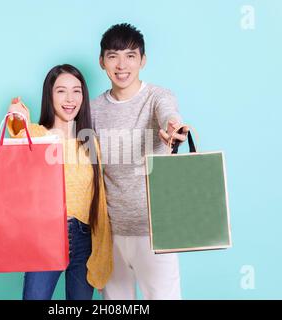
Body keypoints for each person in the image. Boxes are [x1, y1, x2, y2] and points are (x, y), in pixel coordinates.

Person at [90, 23, 189, 300]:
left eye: (130, 56)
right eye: (113, 56)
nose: (122, 65)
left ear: (143, 61)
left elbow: (169, 115)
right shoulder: (94, 109)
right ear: (102, 62)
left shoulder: (158, 96)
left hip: (155, 231)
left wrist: (174, 129)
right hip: (109, 233)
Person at [7, 64, 113, 300]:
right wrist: (16, 115)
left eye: (76, 91)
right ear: (50, 95)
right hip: (45, 236)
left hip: (84, 237)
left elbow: (100, 199)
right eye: (61, 91)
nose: (70, 99)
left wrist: (102, 250)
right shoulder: (37, 135)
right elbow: (16, 132)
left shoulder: (90, 142)